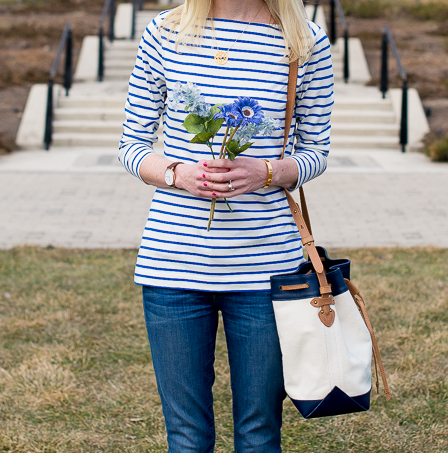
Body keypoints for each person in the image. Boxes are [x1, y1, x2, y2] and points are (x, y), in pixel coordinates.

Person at [117, 0, 333, 449]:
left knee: (258, 433)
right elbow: (131, 145)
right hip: (173, 267)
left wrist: (266, 172)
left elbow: (316, 152)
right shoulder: (167, 30)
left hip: (265, 271)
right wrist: (179, 174)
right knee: (187, 437)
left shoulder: (304, 39)